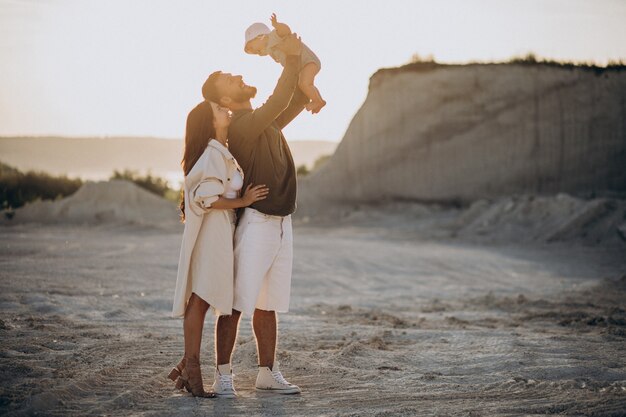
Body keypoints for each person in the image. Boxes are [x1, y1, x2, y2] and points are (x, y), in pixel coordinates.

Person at [201, 32, 307, 396]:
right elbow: (281, 98)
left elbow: (293, 99)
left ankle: (267, 373)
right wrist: (291, 58)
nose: (239, 77)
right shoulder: (243, 127)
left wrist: (290, 52)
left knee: (269, 304)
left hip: (282, 222)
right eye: (231, 80)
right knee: (235, 304)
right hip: (258, 222)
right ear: (226, 99)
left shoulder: (266, 121)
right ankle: (224, 377)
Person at [169, 100, 269, 398]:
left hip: (220, 232)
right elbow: (205, 197)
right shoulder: (213, 152)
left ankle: (188, 366)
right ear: (210, 122)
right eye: (218, 110)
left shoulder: (217, 150)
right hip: (213, 233)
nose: (226, 110)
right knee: (199, 300)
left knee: (201, 299)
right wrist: (243, 201)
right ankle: (192, 371)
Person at [245, 13, 326, 114]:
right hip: (303, 65)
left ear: (259, 36)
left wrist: (276, 25)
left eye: (252, 47)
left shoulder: (273, 37)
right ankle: (318, 100)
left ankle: (317, 101)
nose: (256, 52)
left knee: (304, 83)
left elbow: (286, 30)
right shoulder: (270, 50)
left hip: (308, 61)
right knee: (307, 84)